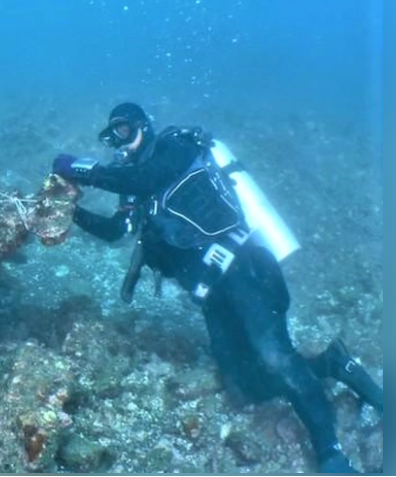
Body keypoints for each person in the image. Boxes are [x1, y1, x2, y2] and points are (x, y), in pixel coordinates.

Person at [51, 102, 383, 474]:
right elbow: (117, 231)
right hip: (209, 290)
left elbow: (142, 180)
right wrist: (69, 212)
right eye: (113, 136)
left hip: (246, 269)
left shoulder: (175, 147)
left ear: (144, 126)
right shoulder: (133, 185)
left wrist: (75, 167)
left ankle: (331, 453)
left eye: (125, 130)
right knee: (246, 386)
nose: (121, 142)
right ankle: (333, 363)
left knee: (275, 356)